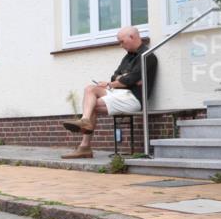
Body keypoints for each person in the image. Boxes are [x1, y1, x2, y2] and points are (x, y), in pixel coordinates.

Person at [60, 26, 157, 159]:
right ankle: (85, 121)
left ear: (132, 37)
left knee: (92, 104)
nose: (120, 45)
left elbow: (127, 80)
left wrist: (121, 81)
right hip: (119, 94)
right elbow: (116, 77)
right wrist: (123, 80)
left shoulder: (148, 56)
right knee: (90, 89)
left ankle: (84, 146)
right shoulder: (127, 57)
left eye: (122, 41)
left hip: (133, 98)